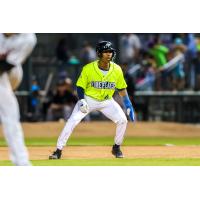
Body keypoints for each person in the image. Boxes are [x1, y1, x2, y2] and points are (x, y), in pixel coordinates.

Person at [49, 41, 135, 159]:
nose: (108, 54)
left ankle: (116, 147)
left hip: (107, 101)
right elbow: (80, 86)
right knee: (72, 120)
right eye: (105, 51)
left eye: (110, 51)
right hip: (89, 100)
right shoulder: (88, 68)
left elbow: (121, 88)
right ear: (99, 53)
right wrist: (82, 100)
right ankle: (58, 150)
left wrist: (128, 104)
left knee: (122, 120)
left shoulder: (117, 69)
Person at [0, 33, 37, 166]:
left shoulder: (27, 38)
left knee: (10, 116)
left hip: (10, 73)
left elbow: (6, 65)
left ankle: (22, 162)